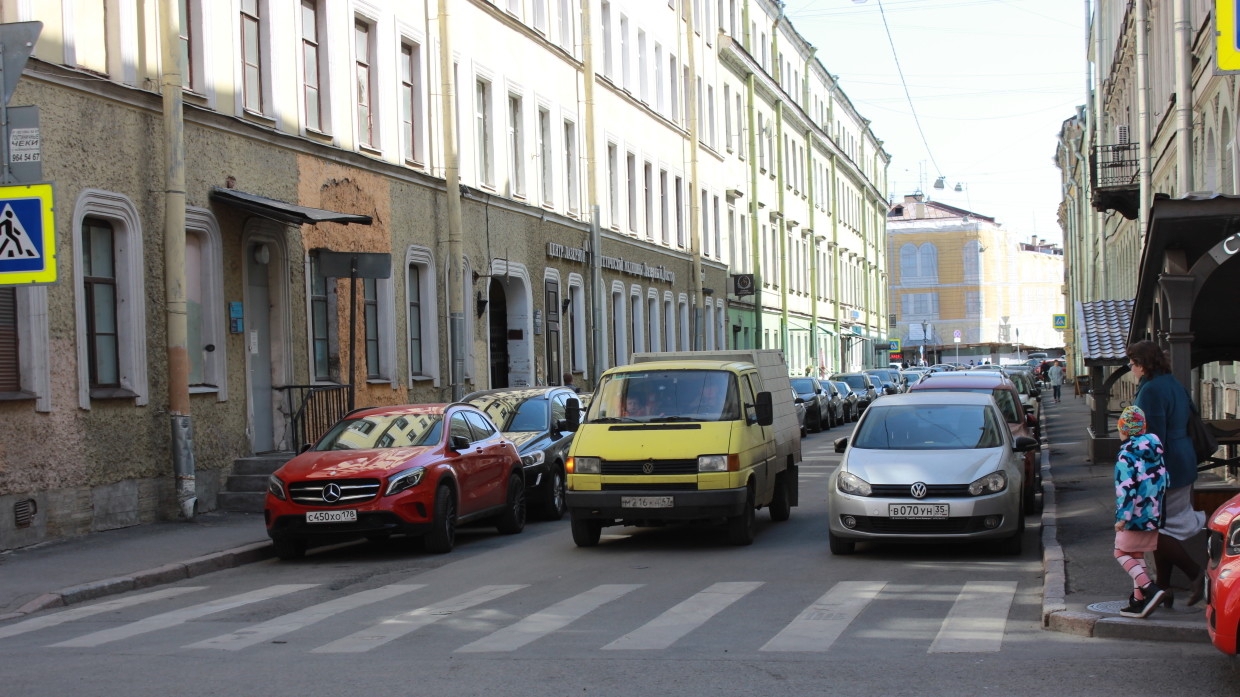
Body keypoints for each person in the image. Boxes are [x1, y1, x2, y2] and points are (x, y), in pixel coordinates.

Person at [1128, 339, 1206, 607]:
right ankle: (1163, 587)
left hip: (1165, 466)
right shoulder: (1173, 383)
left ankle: (1196, 574)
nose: (1131, 368)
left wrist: (1139, 472)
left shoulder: (1151, 390)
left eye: (1133, 363)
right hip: (1183, 461)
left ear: (1143, 364)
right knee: (1163, 526)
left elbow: (1152, 438)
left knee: (1150, 529)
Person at [1112, 405, 1169, 618]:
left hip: (1134, 515)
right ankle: (1138, 601)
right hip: (1153, 513)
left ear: (1124, 429)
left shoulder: (1126, 455)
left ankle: (1150, 589)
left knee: (1120, 552)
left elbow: (1126, 489)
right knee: (1137, 554)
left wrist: (1122, 517)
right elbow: (1165, 480)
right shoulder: (1156, 451)